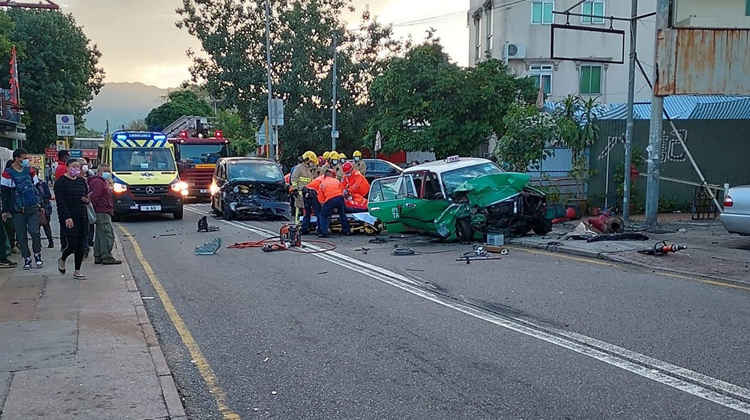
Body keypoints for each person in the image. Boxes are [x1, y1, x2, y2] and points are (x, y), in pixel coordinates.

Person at [1, 148, 44, 269]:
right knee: (21, 235)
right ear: (17, 159)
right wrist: (5, 210)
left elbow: (37, 189)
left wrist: (41, 204)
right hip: (17, 209)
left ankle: (37, 254)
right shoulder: (7, 174)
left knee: (34, 232)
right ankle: (27, 258)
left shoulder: (30, 171)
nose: (26, 160)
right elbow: (4, 193)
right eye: (24, 158)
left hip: (32, 207)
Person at [54, 158, 90, 279]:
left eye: (78, 167)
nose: (76, 169)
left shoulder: (81, 181)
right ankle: (63, 258)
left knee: (81, 245)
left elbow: (85, 195)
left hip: (81, 215)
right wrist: (67, 217)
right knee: (72, 244)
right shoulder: (61, 182)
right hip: (68, 216)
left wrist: (86, 200)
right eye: (73, 166)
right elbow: (61, 202)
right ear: (67, 167)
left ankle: (77, 270)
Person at [88, 164, 121, 265]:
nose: (107, 173)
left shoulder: (100, 181)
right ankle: (107, 256)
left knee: (99, 234)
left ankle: (98, 255)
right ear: (98, 172)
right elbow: (94, 196)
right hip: (102, 211)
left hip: (102, 210)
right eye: (105, 171)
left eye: (109, 170)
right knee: (107, 234)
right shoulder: (98, 182)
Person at [314, 169, 350, 238]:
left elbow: (321, 199)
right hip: (340, 198)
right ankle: (346, 231)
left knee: (322, 215)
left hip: (330, 199)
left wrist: (324, 207)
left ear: (324, 176)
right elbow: (342, 190)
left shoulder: (322, 184)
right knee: (342, 214)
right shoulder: (336, 181)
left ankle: (324, 232)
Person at [291, 151, 318, 235]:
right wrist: (294, 189)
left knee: (307, 211)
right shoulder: (299, 168)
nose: (312, 164)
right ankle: (298, 225)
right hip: (299, 193)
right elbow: (294, 178)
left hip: (308, 194)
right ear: (307, 160)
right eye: (311, 162)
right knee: (299, 210)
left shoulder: (310, 170)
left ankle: (305, 226)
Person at [77, 158, 95, 258]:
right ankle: (83, 247)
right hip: (77, 209)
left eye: (85, 164)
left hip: (87, 207)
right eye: (82, 165)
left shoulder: (90, 175)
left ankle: (87, 244)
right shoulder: (75, 179)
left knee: (89, 226)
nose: (85, 166)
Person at [35, 171, 55, 248]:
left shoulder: (42, 184)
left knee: (46, 225)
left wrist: (40, 198)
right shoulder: (30, 184)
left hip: (45, 206)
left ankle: (50, 241)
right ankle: (37, 243)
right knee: (36, 227)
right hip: (35, 207)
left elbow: (48, 195)